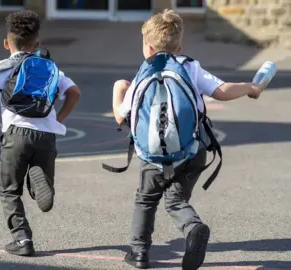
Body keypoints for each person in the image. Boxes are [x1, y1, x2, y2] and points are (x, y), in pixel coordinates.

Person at [110, 9, 264, 270]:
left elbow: (120, 117)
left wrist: (118, 90)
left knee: (146, 200)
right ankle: (193, 228)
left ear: (147, 48)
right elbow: (221, 91)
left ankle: (138, 253)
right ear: (179, 46)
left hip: (153, 156)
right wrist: (250, 87)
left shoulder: (143, 73)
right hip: (191, 151)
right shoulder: (189, 66)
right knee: (176, 201)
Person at [0, 10, 81, 257]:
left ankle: (22, 240)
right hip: (46, 135)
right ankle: (41, 178)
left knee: (9, 190)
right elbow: (74, 92)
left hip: (16, 134)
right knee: (38, 179)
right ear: (37, 44)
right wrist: (58, 119)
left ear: (6, 44)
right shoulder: (50, 68)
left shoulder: (2, 68)